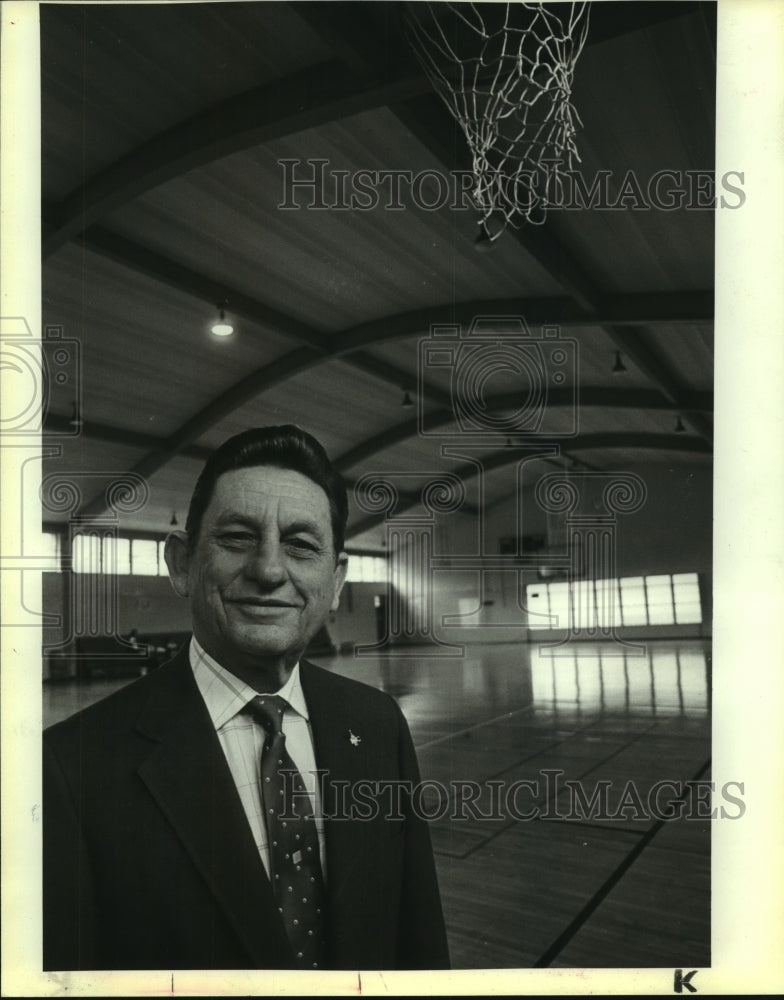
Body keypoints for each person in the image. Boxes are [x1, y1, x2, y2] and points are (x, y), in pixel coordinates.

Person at [43, 426, 450, 972]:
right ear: (183, 564)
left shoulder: (378, 724)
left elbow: (418, 943)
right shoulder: (71, 767)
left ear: (334, 581)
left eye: (302, 546)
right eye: (236, 538)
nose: (269, 570)